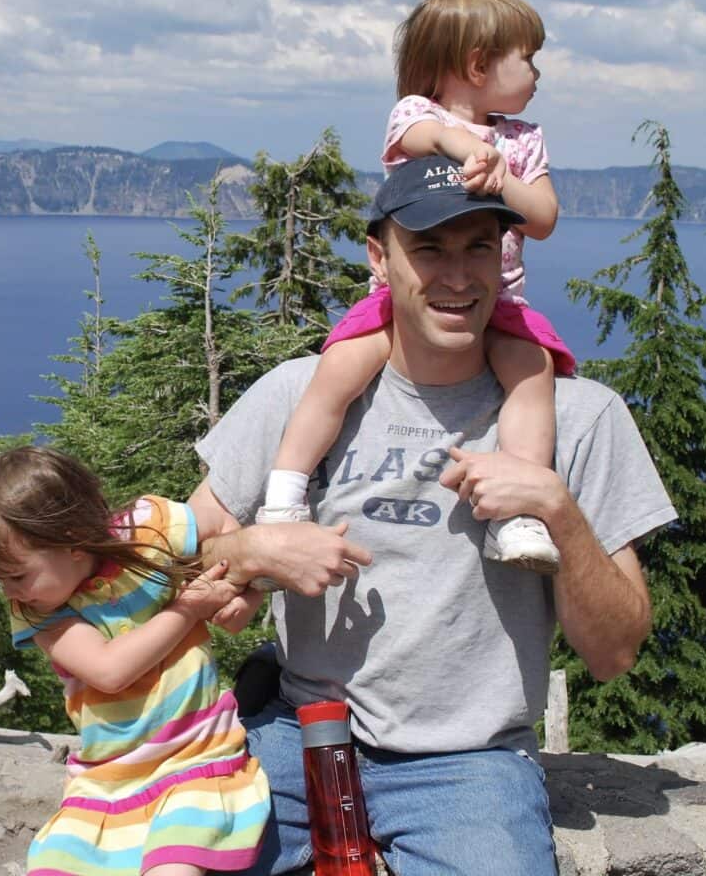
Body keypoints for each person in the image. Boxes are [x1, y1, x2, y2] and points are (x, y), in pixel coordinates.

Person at [188, 155, 676, 876]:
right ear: (378, 257)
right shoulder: (298, 395)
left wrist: (555, 509)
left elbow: (613, 653)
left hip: (468, 765)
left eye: (478, 246)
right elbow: (169, 560)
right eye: (429, 249)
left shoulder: (580, 416)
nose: (457, 276)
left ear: (503, 256)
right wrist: (253, 549)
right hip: (299, 730)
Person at [258, 0, 571, 575]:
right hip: (395, 305)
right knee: (339, 370)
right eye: (529, 58)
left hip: (499, 300)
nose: (538, 73)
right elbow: (418, 138)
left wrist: (496, 177)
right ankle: (283, 500)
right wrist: (465, 147)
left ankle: (520, 508)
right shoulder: (417, 113)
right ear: (479, 64)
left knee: (532, 370)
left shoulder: (524, 141)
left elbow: (545, 217)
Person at [0, 445, 276, 876]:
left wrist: (246, 593)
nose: (9, 593)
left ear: (71, 543)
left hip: (194, 756)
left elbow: (225, 527)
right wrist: (191, 608)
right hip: (107, 777)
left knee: (174, 868)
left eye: (17, 575)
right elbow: (110, 671)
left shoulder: (149, 527)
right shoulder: (40, 612)